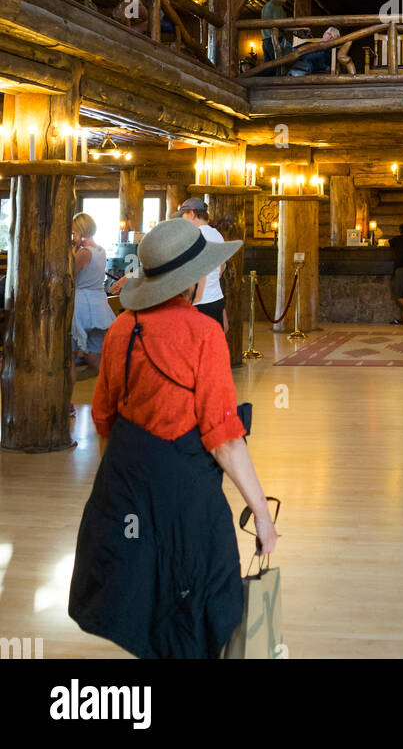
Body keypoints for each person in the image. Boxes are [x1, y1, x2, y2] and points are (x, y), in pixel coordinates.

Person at [68, 217, 278, 658]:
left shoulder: (123, 327)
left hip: (125, 483)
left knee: (143, 597)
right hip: (186, 492)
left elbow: (104, 417)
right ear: (191, 281)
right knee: (206, 590)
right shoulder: (204, 333)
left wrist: (119, 487)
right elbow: (224, 438)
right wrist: (261, 512)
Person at [71, 213, 114, 378]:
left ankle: (68, 403)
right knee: (95, 358)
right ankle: (110, 392)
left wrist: (73, 250)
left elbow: (68, 277)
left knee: (70, 358)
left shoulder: (84, 253)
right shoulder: (100, 250)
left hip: (81, 308)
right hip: (99, 308)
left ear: (80, 231)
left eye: (74, 232)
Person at [180, 197, 228, 332]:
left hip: (198, 303)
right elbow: (222, 268)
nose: (183, 219)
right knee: (212, 346)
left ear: (192, 213)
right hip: (216, 300)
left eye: (184, 214)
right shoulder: (217, 235)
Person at [261, 0, 290, 73]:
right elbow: (282, 26)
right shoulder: (273, 6)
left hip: (267, 40)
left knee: (269, 69)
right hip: (273, 41)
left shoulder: (272, 6)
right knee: (278, 68)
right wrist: (300, 27)